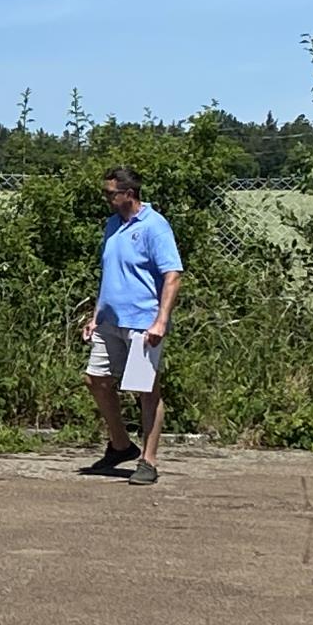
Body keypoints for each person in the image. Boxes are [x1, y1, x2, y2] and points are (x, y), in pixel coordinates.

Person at [81, 166, 183, 485]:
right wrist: (96, 316)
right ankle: (121, 445)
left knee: (145, 389)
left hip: (142, 322)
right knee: (96, 379)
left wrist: (161, 320)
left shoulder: (154, 226)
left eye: (110, 193)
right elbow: (110, 274)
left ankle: (148, 461)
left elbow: (172, 275)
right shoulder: (113, 226)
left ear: (129, 194)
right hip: (110, 321)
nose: (106, 199)